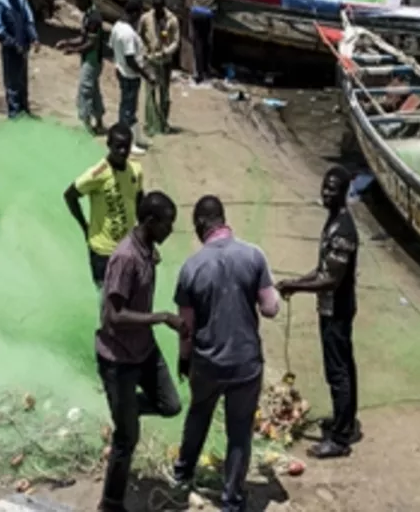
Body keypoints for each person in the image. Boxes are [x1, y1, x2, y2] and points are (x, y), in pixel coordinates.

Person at [172, 195, 279, 511]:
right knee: (239, 431)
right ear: (222, 220)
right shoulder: (254, 256)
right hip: (245, 363)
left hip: (207, 362)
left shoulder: (191, 267)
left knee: (198, 415)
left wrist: (184, 358)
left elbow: (186, 325)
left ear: (202, 225)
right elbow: (270, 308)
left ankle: (182, 474)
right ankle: (232, 498)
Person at [96, 191, 183, 512]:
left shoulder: (147, 250)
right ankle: (110, 503)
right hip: (118, 358)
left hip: (144, 350)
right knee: (126, 440)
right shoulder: (126, 258)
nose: (170, 230)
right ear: (150, 222)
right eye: (167, 224)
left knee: (171, 404)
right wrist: (161, 317)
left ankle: (126, 410)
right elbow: (113, 316)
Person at [276, 167, 360, 458]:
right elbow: (323, 269)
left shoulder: (345, 230)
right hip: (330, 307)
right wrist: (296, 281)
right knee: (343, 366)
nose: (326, 193)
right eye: (324, 187)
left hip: (336, 309)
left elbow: (332, 280)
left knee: (338, 372)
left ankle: (339, 439)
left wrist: (298, 288)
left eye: (333, 189)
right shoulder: (333, 222)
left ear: (345, 192)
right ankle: (344, 422)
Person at [64, 123, 145, 286]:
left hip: (127, 247)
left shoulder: (136, 170)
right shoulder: (97, 174)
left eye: (126, 147)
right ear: (108, 145)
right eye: (118, 147)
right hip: (102, 251)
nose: (123, 152)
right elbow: (69, 195)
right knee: (106, 299)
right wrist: (84, 226)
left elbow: (139, 199)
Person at [56, 0, 105, 133]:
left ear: (84, 0)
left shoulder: (94, 18)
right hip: (88, 59)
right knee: (93, 90)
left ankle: (87, 125)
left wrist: (73, 50)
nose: (77, 5)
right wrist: (68, 42)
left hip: (92, 60)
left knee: (85, 91)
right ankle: (99, 121)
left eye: (78, 1)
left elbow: (90, 43)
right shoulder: (88, 15)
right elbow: (82, 38)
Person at [0, 0, 39, 118]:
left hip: (23, 45)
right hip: (10, 48)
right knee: (12, 81)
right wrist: (12, 43)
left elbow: (28, 19)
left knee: (22, 78)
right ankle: (14, 112)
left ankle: (25, 109)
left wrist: (34, 38)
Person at [110, 0, 153, 153]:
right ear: (134, 13)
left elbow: (113, 48)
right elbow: (130, 59)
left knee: (131, 107)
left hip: (121, 71)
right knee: (127, 110)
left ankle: (137, 137)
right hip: (130, 75)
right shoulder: (127, 33)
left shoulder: (116, 27)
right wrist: (146, 75)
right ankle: (127, 143)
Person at [137, 0, 180, 136]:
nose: (157, 10)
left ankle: (163, 123)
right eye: (155, 7)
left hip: (165, 62)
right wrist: (144, 51)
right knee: (149, 93)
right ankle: (149, 124)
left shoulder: (172, 20)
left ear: (164, 6)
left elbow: (175, 41)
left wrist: (167, 52)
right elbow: (139, 36)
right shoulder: (146, 18)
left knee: (165, 94)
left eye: (160, 7)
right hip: (150, 60)